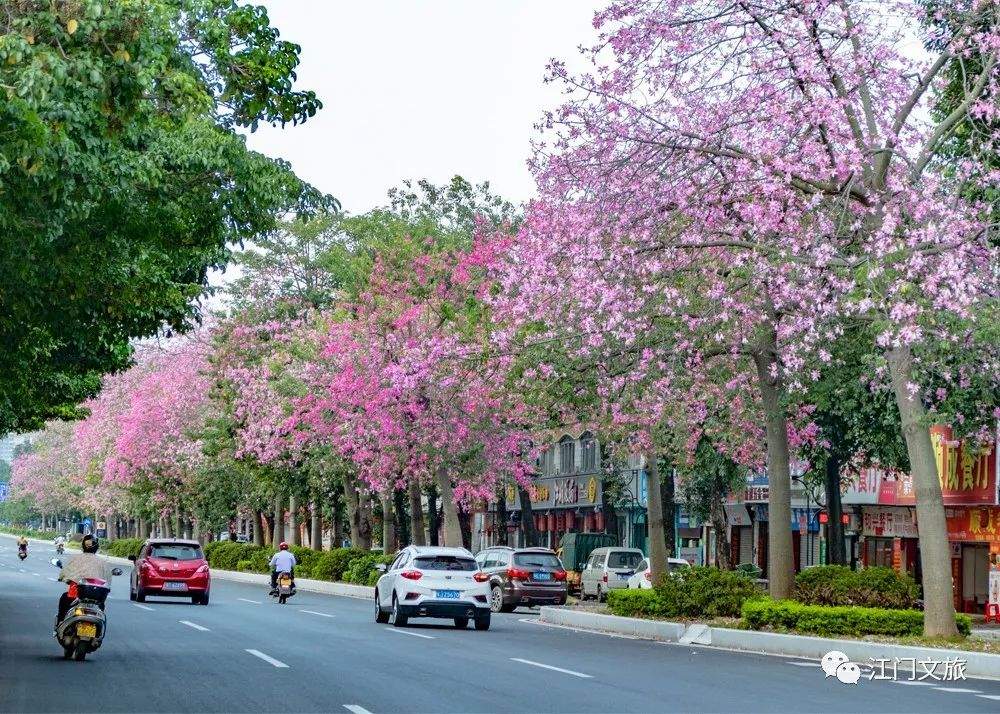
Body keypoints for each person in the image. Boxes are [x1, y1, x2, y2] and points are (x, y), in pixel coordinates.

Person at [55, 534, 113, 631]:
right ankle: (98, 630)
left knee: (64, 599)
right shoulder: (103, 562)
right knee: (102, 608)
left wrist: (64, 578)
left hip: (74, 596)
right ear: (97, 547)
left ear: (82, 546)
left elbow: (64, 573)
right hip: (97, 600)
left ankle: (60, 623)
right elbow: (108, 581)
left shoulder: (75, 559)